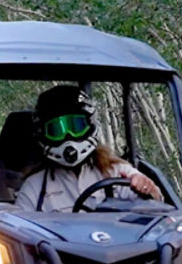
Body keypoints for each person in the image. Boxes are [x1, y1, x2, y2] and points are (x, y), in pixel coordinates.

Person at [14, 85, 160, 212]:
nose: (68, 137)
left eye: (77, 126)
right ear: (43, 134)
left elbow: (155, 210)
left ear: (90, 126)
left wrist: (147, 188)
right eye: (57, 131)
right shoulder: (34, 187)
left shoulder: (117, 171)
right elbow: (18, 233)